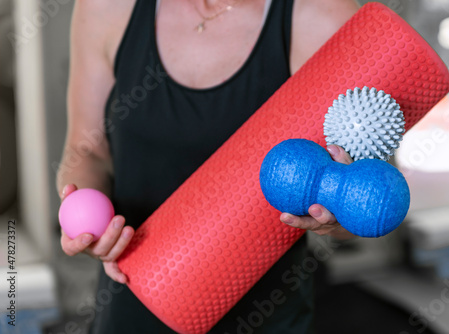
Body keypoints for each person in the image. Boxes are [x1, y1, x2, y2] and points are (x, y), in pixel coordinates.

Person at [57, 0, 359, 332]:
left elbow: (357, 204)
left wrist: (337, 217)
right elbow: (87, 150)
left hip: (266, 314)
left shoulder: (322, 15)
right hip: (131, 308)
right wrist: (90, 227)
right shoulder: (107, 7)